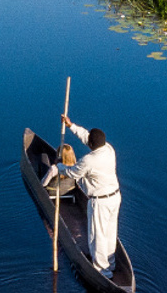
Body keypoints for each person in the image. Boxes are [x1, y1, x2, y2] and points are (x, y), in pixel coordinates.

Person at [51, 113, 121, 278]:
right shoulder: (108, 149)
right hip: (115, 197)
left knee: (98, 235)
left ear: (91, 144)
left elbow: (72, 173)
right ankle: (111, 263)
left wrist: (59, 166)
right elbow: (86, 137)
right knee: (110, 232)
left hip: (100, 202)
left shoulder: (89, 160)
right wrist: (71, 126)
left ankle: (102, 271)